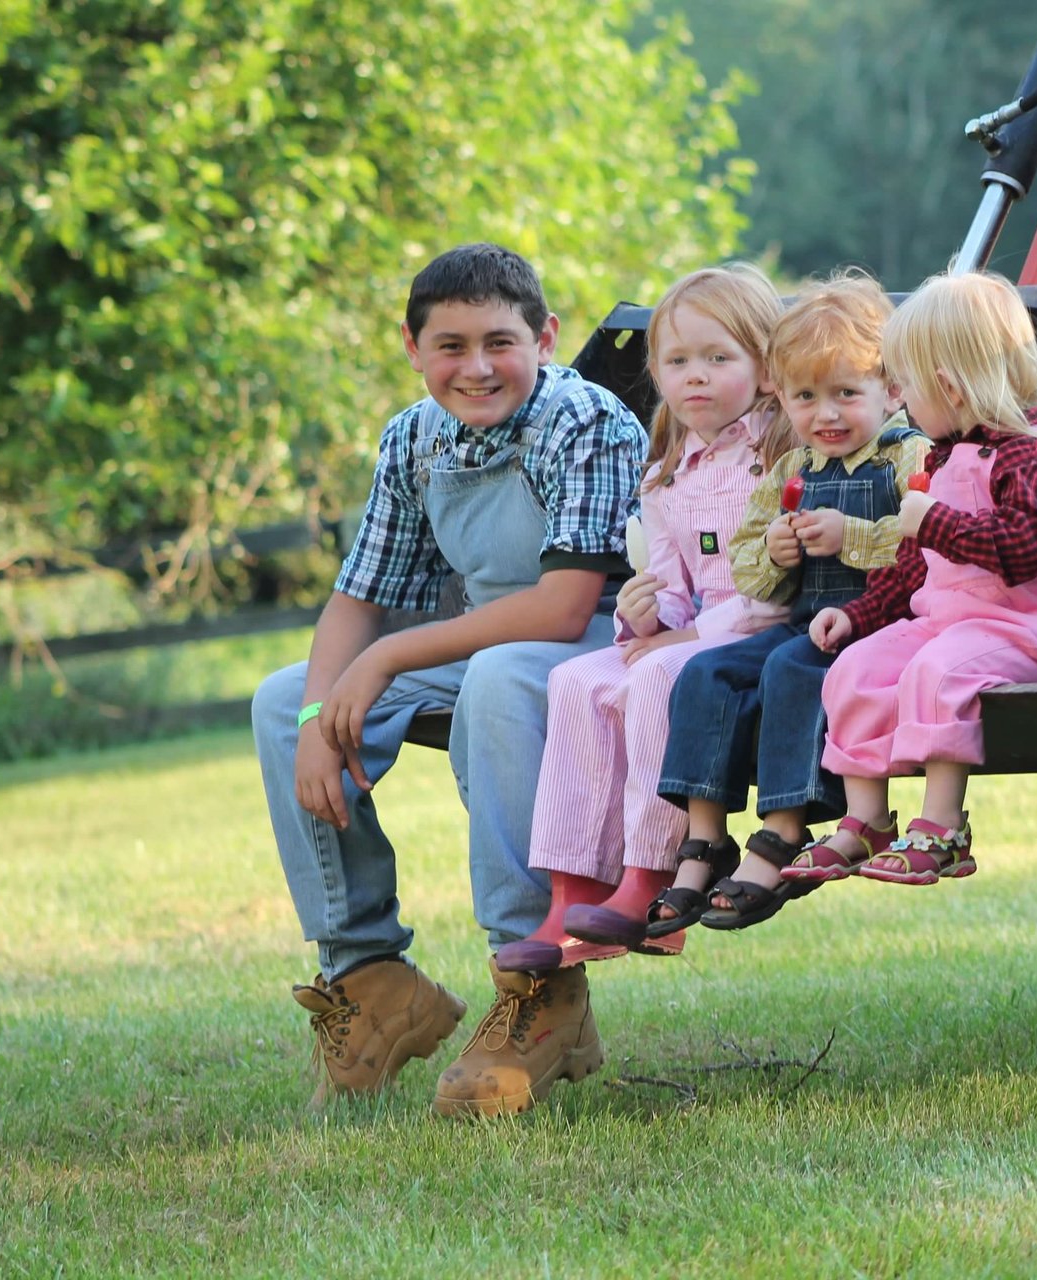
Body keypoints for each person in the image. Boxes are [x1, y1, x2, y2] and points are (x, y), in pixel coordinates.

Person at [250, 243, 645, 1116]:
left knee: (501, 677)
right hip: (488, 643)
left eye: (500, 342)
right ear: (413, 346)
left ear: (545, 337)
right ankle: (370, 977)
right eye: (451, 345)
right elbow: (358, 598)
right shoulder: (415, 437)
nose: (476, 367)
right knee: (281, 701)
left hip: (605, 645)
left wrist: (390, 655)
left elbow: (560, 605)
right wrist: (321, 711)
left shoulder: (585, 421)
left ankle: (538, 982)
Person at [585, 271, 929, 938]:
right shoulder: (789, 472)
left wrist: (849, 536)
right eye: (806, 397)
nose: (825, 414)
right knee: (707, 673)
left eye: (845, 395)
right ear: (782, 395)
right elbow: (749, 568)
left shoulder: (905, 458)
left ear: (890, 391)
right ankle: (705, 840)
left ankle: (779, 834)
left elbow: (925, 542)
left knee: (790, 672)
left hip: (883, 624)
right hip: (809, 622)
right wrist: (775, 550)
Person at [492, 263, 791, 972]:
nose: (697, 377)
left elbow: (782, 590)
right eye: (678, 361)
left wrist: (682, 638)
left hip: (761, 638)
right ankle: (573, 890)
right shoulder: (667, 474)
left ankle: (654, 881)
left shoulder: (780, 455)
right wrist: (646, 612)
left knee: (658, 677)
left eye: (719, 359)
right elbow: (675, 586)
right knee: (576, 681)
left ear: (766, 365)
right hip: (691, 637)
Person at [800, 270, 1037, 886]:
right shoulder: (941, 460)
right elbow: (913, 568)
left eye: (904, 384)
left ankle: (943, 828)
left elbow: (1025, 548)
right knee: (856, 669)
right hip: (947, 625)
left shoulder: (1031, 458)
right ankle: (867, 822)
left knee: (939, 672)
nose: (901, 398)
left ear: (949, 386)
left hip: (1028, 633)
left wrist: (934, 521)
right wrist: (859, 616)